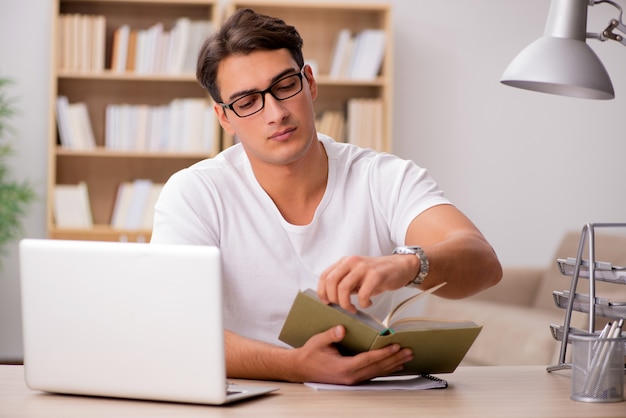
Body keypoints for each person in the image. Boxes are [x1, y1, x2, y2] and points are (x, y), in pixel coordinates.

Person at [151, 8, 502, 385]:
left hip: (368, 400)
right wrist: (295, 366)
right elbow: (174, 327)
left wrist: (405, 265)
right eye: (248, 101)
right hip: (248, 397)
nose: (275, 113)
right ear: (225, 118)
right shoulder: (195, 193)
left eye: (285, 85)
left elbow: (483, 263)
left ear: (310, 83)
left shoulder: (382, 177)